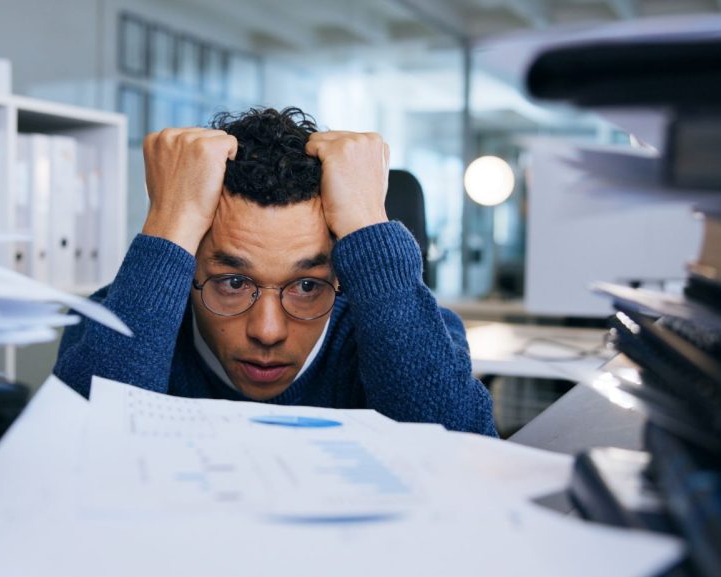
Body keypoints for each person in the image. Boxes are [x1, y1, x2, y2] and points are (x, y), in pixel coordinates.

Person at [54, 107, 496, 436]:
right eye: (232, 282)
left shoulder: (418, 333)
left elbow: (464, 460)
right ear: (185, 266)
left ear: (341, 275)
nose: (268, 332)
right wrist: (170, 222)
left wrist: (365, 220)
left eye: (307, 285)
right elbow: (71, 460)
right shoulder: (107, 324)